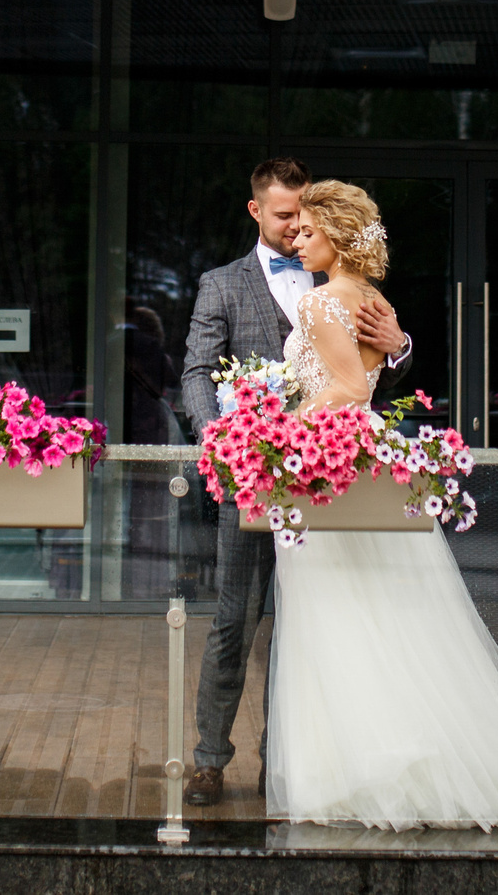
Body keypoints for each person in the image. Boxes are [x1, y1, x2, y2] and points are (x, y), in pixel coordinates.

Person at [265, 181, 498, 829]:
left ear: (341, 237)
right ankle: (398, 757)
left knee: (340, 618)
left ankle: (357, 771)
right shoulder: (375, 301)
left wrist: (278, 428)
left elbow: (346, 386)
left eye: (309, 230)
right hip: (368, 455)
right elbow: (367, 378)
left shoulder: (320, 303)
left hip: (327, 460)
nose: (297, 237)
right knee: (392, 615)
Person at [179, 158, 410, 808]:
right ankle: (208, 760)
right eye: (284, 215)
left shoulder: (335, 270)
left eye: (303, 215)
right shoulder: (220, 284)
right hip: (253, 481)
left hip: (329, 484)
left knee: (309, 628)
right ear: (256, 210)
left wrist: (399, 346)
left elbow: (368, 375)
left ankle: (287, 762)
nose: (295, 227)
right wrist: (218, 443)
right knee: (234, 621)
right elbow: (196, 371)